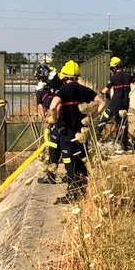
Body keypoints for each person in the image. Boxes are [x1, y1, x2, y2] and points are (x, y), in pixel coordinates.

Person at [48, 60, 105, 204]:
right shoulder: (84, 90)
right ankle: (84, 188)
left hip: (67, 132)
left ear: (64, 76)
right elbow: (102, 102)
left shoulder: (63, 91)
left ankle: (73, 194)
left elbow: (53, 106)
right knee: (81, 160)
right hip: (82, 132)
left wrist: (54, 119)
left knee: (69, 162)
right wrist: (91, 117)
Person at [96, 56, 135, 152]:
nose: (111, 70)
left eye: (111, 68)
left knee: (105, 118)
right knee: (123, 123)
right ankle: (123, 144)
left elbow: (105, 90)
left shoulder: (113, 78)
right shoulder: (128, 76)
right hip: (125, 103)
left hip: (115, 103)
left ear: (115, 67)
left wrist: (99, 94)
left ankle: (96, 136)